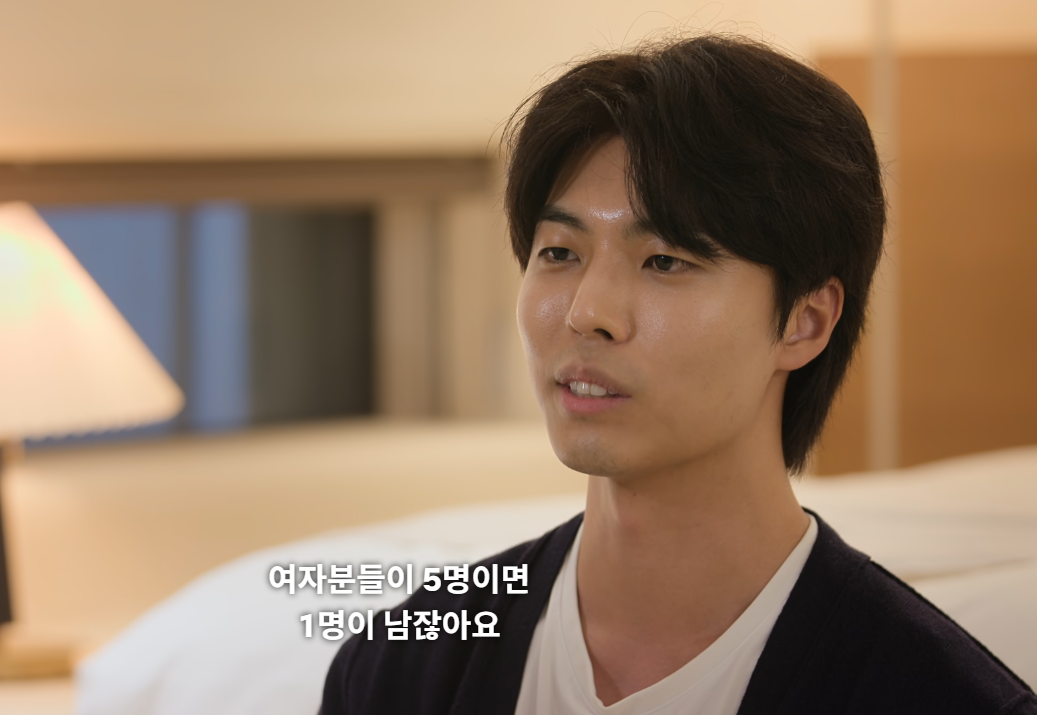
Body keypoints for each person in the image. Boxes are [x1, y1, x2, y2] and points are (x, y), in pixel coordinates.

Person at [319, 33, 1036, 714]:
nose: (587, 312)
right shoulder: (401, 666)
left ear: (804, 321)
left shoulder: (935, 695)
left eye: (664, 260)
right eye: (559, 253)